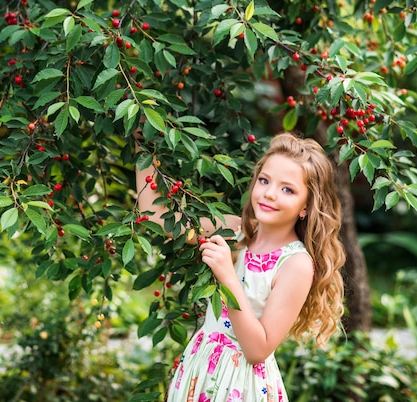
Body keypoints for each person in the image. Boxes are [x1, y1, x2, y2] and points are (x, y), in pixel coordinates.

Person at [135, 131, 345, 401]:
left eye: (287, 189)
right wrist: (142, 137)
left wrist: (227, 277)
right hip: (201, 367)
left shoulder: (296, 264)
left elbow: (258, 349)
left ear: (306, 206)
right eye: (264, 180)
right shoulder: (237, 231)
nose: (269, 194)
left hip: (240, 384)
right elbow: (158, 216)